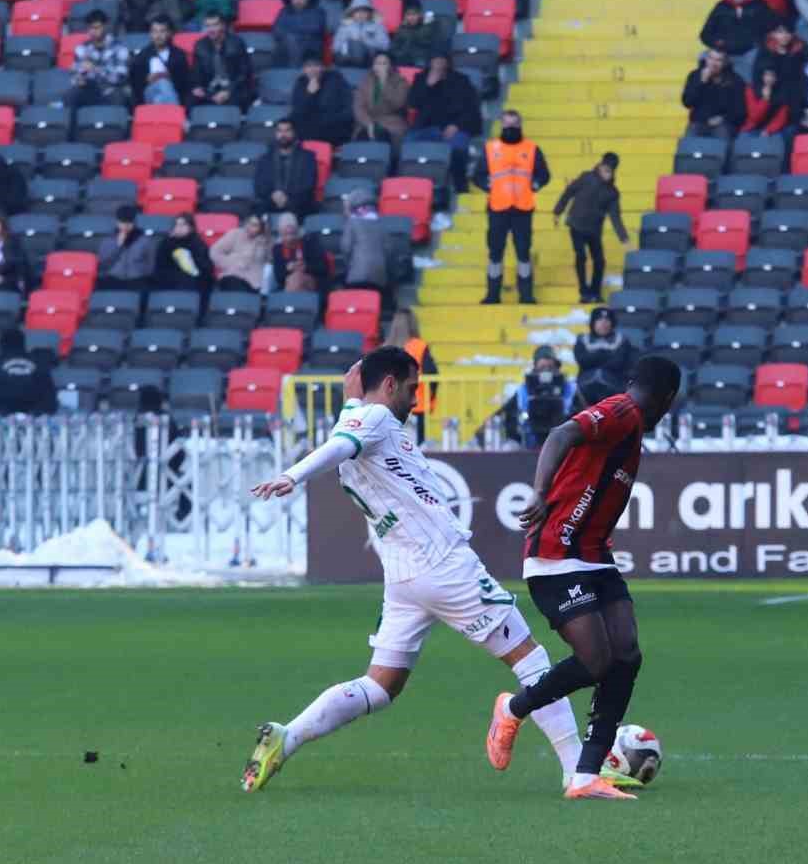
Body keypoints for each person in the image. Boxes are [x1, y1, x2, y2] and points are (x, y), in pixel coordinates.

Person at [243, 349, 592, 796]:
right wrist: (294, 475)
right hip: (444, 565)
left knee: (381, 684)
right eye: (411, 389)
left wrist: (351, 402)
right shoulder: (378, 420)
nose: (416, 400)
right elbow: (339, 447)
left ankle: (286, 736)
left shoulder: (360, 418)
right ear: (389, 385)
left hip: (404, 576)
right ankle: (577, 772)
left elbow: (347, 435)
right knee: (530, 658)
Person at [486, 354, 684, 801]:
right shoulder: (622, 411)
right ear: (668, 400)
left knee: (626, 655)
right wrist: (539, 493)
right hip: (556, 555)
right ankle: (512, 708)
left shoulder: (630, 429)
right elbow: (562, 433)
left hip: (595, 558)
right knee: (596, 659)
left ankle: (585, 776)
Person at [472, 110, 551, 305]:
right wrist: (487, 185)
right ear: (501, 125)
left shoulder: (532, 148)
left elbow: (544, 175)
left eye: (514, 124)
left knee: (523, 253)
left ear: (521, 125)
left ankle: (526, 295)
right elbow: (478, 175)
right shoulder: (491, 148)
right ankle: (492, 294)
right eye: (507, 124)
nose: (510, 128)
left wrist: (536, 184)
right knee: (495, 253)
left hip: (523, 208)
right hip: (498, 208)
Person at [554, 153, 630, 304]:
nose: (606, 173)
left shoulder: (612, 193)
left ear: (613, 172)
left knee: (600, 261)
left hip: (594, 230)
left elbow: (615, 217)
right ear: (600, 166)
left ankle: (595, 292)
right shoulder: (586, 177)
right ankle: (584, 291)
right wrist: (558, 211)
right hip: (576, 225)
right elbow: (569, 191)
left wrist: (624, 238)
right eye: (604, 169)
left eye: (609, 171)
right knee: (580, 255)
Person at [407, 53, 483, 194]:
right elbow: (413, 103)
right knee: (408, 146)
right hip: (427, 128)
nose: (438, 65)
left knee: (458, 148)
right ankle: (414, 188)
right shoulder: (421, 79)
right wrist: (428, 85)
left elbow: (471, 108)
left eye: (441, 61)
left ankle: (460, 186)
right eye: (435, 62)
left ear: (447, 63)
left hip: (455, 127)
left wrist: (457, 125)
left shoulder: (461, 81)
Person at [0, 329, 56, 415]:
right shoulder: (40, 367)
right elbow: (50, 398)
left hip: (0, 416)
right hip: (35, 416)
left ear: (1, 344)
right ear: (24, 343)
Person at [387, 308, 438, 436]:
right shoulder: (419, 346)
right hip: (416, 404)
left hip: (389, 406)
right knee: (413, 446)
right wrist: (431, 397)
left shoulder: (385, 348)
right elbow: (432, 373)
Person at [253, 118, 319, 218]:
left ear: (294, 133)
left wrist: (287, 198)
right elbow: (259, 185)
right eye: (280, 131)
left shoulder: (308, 157)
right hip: (271, 202)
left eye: (287, 130)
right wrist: (273, 195)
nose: (283, 134)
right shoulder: (264, 159)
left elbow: (308, 185)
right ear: (275, 134)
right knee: (256, 209)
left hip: (298, 204)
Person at [573, 307, 638, 406]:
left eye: (607, 320)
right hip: (586, 385)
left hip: (615, 384)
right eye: (599, 320)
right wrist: (605, 355)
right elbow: (582, 360)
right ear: (593, 323)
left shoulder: (622, 340)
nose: (603, 324)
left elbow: (618, 363)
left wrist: (594, 358)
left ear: (612, 323)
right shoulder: (582, 340)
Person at [514, 347, 577, 448]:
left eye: (550, 366)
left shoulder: (568, 386)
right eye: (542, 366)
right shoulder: (524, 388)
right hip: (532, 433)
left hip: (561, 432)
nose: (546, 370)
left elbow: (571, 408)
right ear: (535, 366)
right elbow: (521, 410)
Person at [191, 10, 253, 108]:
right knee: (192, 99)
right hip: (210, 89)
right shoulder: (200, 46)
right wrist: (198, 87)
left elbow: (244, 74)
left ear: (223, 26)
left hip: (233, 87)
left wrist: (228, 91)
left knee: (235, 100)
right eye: (208, 26)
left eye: (215, 25)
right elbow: (196, 73)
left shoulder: (236, 43)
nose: (211, 29)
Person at [291, 53, 356, 147]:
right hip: (310, 132)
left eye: (316, 65)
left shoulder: (336, 80)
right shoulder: (300, 83)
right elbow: (298, 113)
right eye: (309, 66)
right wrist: (309, 95)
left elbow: (348, 109)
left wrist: (330, 121)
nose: (313, 70)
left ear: (323, 67)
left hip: (335, 128)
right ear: (304, 69)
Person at [683, 49, 749, 141]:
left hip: (724, 123)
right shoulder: (695, 76)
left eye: (718, 60)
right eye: (711, 58)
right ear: (706, 59)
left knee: (722, 135)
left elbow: (740, 111)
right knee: (689, 142)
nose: (713, 63)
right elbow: (687, 102)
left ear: (725, 63)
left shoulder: (735, 80)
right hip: (699, 122)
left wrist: (722, 119)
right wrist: (701, 82)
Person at [68, 10, 130, 107]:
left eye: (97, 28)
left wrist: (96, 69)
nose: (93, 31)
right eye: (90, 28)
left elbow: (120, 77)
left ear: (105, 27)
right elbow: (75, 75)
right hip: (88, 90)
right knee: (71, 95)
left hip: (111, 89)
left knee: (118, 96)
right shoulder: (82, 49)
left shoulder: (119, 48)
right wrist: (78, 79)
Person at [352, 51, 411, 149]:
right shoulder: (365, 82)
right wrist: (369, 123)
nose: (381, 67)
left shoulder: (401, 82)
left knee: (382, 136)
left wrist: (383, 84)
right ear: (373, 66)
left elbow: (397, 104)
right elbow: (358, 107)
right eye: (378, 63)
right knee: (363, 138)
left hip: (391, 123)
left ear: (391, 66)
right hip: (368, 122)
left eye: (384, 63)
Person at [130, 15, 192, 106]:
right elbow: (135, 82)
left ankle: (164, 117)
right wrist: (147, 79)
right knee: (163, 84)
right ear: (150, 33)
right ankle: (177, 115)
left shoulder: (179, 55)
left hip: (172, 92)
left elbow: (185, 82)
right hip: (148, 92)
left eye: (162, 31)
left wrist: (170, 77)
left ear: (169, 33)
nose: (158, 36)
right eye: (154, 31)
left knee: (159, 99)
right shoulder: (142, 56)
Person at [340, 189, 389, 302]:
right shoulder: (382, 225)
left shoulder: (352, 224)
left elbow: (346, 248)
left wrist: (349, 265)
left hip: (357, 275)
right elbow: (389, 250)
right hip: (379, 276)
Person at [96, 204, 155, 295]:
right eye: (122, 222)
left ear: (134, 222)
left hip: (137, 281)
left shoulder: (145, 240)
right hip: (113, 280)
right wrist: (118, 246)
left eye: (129, 223)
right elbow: (103, 264)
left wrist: (140, 274)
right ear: (117, 222)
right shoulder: (108, 240)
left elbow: (150, 264)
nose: (125, 226)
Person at [153, 213, 215, 299]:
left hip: (193, 283)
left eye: (183, 225)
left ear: (191, 227)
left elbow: (205, 268)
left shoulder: (198, 244)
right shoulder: (166, 243)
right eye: (177, 225)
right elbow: (160, 267)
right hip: (170, 281)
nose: (179, 228)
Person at [210, 213, 271, 294]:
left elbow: (271, 261)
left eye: (255, 225)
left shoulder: (265, 242)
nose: (249, 227)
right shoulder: (235, 234)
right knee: (231, 283)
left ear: (261, 228)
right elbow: (214, 251)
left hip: (254, 282)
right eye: (249, 223)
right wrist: (231, 263)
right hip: (232, 276)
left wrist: (267, 238)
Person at [701, 0, 776, 58]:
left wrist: (758, 44)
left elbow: (773, 26)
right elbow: (705, 34)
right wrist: (717, 43)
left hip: (750, 53)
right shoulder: (721, 7)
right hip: (724, 53)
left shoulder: (759, 6)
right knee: (703, 56)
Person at [334, 0, 392, 67]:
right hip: (347, 59)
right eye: (358, 11)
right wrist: (348, 42)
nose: (361, 14)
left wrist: (365, 41)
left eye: (364, 11)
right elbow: (335, 47)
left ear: (369, 13)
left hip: (369, 60)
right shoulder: (344, 27)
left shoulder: (378, 27)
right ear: (352, 13)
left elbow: (386, 46)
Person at [275, 0, 331, 69]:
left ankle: (296, 68)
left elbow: (316, 28)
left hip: (310, 44)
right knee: (289, 39)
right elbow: (278, 29)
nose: (298, 0)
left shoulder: (318, 11)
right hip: (287, 45)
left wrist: (295, 32)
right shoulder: (284, 11)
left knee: (294, 39)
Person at [742, 66, 798, 135]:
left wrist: (769, 130)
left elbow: (781, 118)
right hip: (752, 128)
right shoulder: (751, 89)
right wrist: (765, 99)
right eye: (767, 75)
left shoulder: (782, 92)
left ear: (777, 78)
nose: (769, 78)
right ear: (762, 76)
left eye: (772, 76)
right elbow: (754, 117)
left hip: (770, 129)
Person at [389, 1, 446, 68]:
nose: (411, 17)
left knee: (420, 62)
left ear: (420, 14)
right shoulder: (401, 29)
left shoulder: (428, 25)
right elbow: (394, 48)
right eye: (408, 15)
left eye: (414, 14)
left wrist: (427, 21)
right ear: (405, 16)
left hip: (422, 58)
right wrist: (400, 53)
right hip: (403, 58)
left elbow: (423, 37)